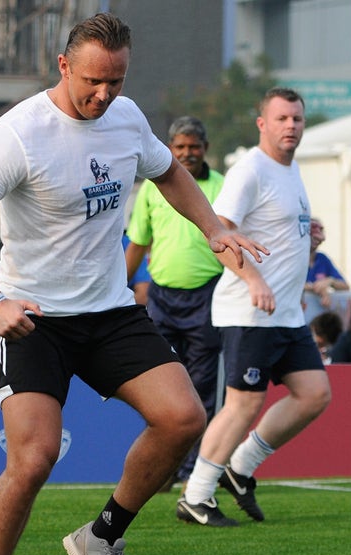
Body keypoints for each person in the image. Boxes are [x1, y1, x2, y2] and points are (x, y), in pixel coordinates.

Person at [0, 13, 265, 555]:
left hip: (110, 312)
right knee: (32, 459)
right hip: (34, 318)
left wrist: (213, 226)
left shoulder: (128, 117)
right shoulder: (17, 134)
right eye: (92, 81)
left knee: (184, 418)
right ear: (63, 67)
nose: (104, 94)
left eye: (115, 80)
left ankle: (104, 534)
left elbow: (168, 173)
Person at [177, 86, 332, 528]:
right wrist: (254, 279)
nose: (291, 126)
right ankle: (196, 496)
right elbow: (218, 236)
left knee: (314, 394)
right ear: (262, 123)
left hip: (286, 312)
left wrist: (309, 235)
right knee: (244, 404)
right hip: (249, 310)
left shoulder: (292, 169)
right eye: (282, 119)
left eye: (297, 119)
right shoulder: (250, 170)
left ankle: (240, 466)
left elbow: (279, 231)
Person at [125, 114, 226, 488]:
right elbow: (137, 242)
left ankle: (191, 471)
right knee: (162, 389)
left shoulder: (222, 186)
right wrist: (119, 286)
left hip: (207, 297)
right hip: (162, 299)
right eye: (180, 147)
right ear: (169, 149)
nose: (187, 153)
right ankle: (163, 470)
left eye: (193, 146)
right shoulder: (153, 188)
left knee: (201, 387)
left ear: (206, 149)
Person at [303, 217, 349, 318]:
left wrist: (330, 281)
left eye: (321, 230)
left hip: (317, 315)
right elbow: (289, 284)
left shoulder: (322, 259)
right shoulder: (294, 258)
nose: (317, 238)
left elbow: (345, 287)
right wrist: (317, 288)